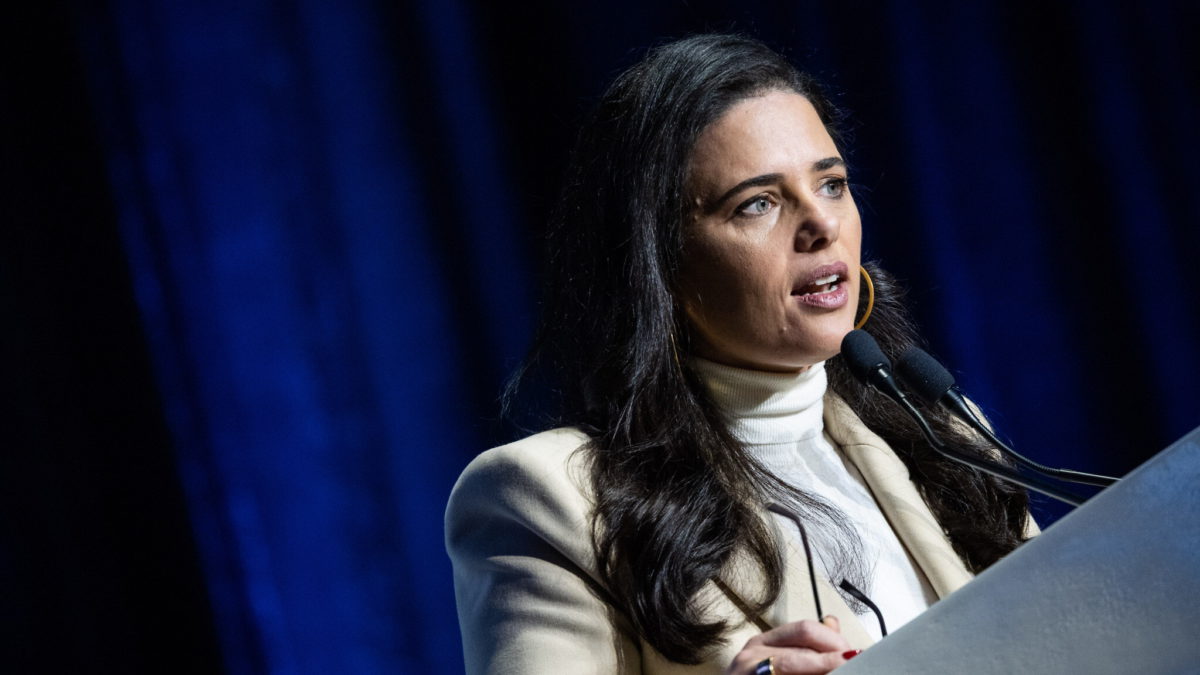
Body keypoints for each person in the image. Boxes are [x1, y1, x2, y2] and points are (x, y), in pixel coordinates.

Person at [445, 34, 1035, 674]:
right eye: (758, 203)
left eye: (832, 184)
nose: (822, 225)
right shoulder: (550, 501)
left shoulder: (942, 435)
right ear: (659, 264)